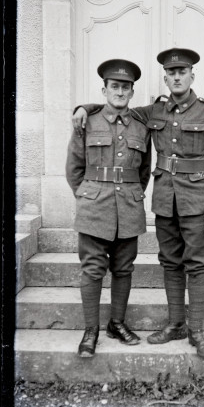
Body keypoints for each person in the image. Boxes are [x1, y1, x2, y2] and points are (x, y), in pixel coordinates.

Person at [72, 48, 204, 358]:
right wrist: (82, 107)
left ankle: (197, 331)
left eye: (181, 72)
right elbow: (118, 107)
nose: (176, 77)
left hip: (198, 201)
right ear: (165, 78)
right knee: (170, 262)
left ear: (192, 76)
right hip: (165, 201)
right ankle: (176, 324)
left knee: (197, 265)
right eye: (171, 73)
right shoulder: (154, 111)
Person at [66, 59, 151, 357]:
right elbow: (74, 168)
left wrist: (132, 195)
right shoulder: (86, 120)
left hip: (128, 206)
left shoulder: (142, 126)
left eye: (125, 87)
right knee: (92, 270)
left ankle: (117, 323)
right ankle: (91, 330)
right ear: (104, 90)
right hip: (94, 207)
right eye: (114, 86)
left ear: (132, 91)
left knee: (124, 268)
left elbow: (144, 172)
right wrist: (87, 195)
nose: (120, 91)